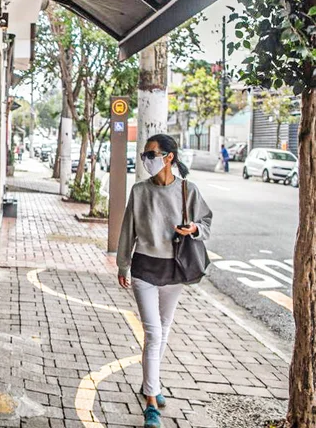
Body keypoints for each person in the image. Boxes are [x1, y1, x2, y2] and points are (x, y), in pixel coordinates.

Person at [116, 134, 212, 428]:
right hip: (144, 267)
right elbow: (127, 229)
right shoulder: (139, 191)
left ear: (169, 157)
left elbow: (206, 222)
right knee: (153, 333)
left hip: (175, 268)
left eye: (151, 154)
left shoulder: (187, 190)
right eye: (145, 154)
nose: (147, 159)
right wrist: (123, 263)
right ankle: (150, 402)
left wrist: (193, 227)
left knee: (164, 331)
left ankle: (153, 383)